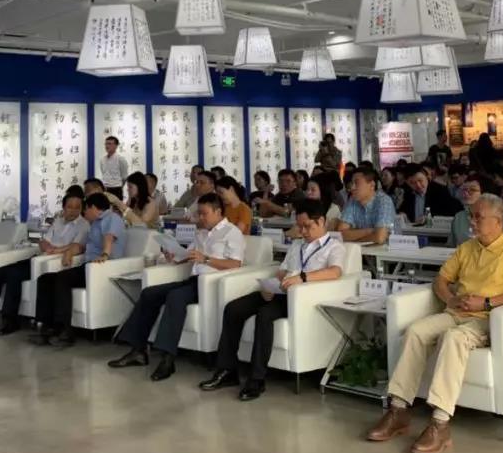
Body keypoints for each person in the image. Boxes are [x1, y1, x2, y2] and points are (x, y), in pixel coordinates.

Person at [365, 194, 503, 453]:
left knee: (454, 338)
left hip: (488, 319)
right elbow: (441, 280)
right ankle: (398, 409)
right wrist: (450, 299)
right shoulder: (467, 248)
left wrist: (487, 302)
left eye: (478, 217)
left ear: (498, 221)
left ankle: (440, 422)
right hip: (456, 312)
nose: (472, 222)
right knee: (415, 331)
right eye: (471, 216)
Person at [201, 199, 345, 401]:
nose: (302, 231)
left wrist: (302, 278)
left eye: (307, 226)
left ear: (321, 221)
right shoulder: (297, 245)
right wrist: (272, 284)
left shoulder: (334, 247)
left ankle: (256, 379)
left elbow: (335, 272)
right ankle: (227, 370)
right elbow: (283, 270)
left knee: (264, 314)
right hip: (280, 291)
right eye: (299, 226)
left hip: (301, 298)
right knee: (233, 308)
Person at [109, 193, 246, 381]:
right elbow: (188, 255)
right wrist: (174, 256)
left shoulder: (232, 233)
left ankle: (168, 359)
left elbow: (235, 264)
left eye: (204, 214)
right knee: (150, 293)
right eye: (199, 213)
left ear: (218, 211)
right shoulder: (201, 233)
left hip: (212, 284)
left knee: (176, 296)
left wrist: (206, 259)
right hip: (193, 280)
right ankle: (138, 350)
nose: (201, 218)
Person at [0, 193, 89, 335]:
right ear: (63, 207)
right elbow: (43, 242)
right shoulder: (58, 222)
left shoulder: (84, 225)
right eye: (70, 207)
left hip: (54, 262)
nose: (73, 211)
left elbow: (77, 246)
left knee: (14, 275)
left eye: (77, 207)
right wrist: (48, 247)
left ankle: (10, 320)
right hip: (39, 257)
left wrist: (55, 250)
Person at [29, 193, 127, 347]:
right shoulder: (94, 224)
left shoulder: (112, 218)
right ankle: (46, 328)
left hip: (102, 268)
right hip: (88, 267)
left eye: (85, 209)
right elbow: (80, 245)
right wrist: (64, 251)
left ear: (93, 208)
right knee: (45, 279)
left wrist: (105, 254)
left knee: (63, 278)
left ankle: (65, 331)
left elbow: (109, 237)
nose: (84, 212)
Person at [338, 166, 394, 245]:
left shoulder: (384, 201)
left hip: (385, 251)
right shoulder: (352, 200)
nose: (352, 187)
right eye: (352, 183)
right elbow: (341, 234)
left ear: (372, 185)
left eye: (356, 183)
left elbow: (380, 238)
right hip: (361, 250)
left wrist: (353, 237)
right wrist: (370, 231)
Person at [447, 174, 493, 247]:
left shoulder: (494, 216)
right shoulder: (458, 217)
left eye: (472, 190)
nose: (466, 193)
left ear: (484, 194)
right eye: (464, 190)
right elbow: (451, 245)